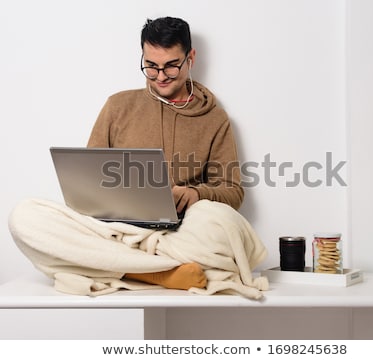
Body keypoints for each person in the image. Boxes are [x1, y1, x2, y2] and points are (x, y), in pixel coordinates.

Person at [8, 17, 268, 299]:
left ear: (190, 58)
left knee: (222, 223)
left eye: (171, 65)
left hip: (177, 235)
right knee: (24, 216)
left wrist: (195, 194)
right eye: (151, 66)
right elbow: (88, 180)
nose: (160, 75)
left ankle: (115, 265)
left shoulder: (215, 119)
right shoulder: (118, 105)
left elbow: (233, 192)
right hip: (113, 232)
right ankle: (156, 273)